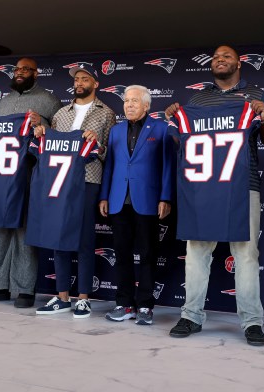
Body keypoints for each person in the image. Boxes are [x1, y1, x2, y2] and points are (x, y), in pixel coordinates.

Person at [165, 45, 264, 346]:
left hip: (243, 185)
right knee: (197, 252)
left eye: (226, 56)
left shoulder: (255, 95)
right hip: (203, 187)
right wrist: (175, 121)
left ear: (239, 63)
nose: (219, 60)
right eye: (215, 57)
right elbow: (185, 143)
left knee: (245, 255)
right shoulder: (198, 99)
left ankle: (252, 321)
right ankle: (191, 315)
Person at [0, 57, 62, 308]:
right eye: (17, 69)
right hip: (0, 176)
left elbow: (57, 136)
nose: (20, 72)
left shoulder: (49, 100)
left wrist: (40, 124)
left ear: (36, 73)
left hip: (29, 174)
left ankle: (24, 289)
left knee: (23, 232)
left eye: (26, 69)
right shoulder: (4, 102)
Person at [32, 64, 115, 318]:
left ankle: (83, 298)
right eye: (76, 78)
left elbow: (109, 153)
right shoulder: (60, 113)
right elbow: (51, 146)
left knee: (84, 238)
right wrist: (41, 133)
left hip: (88, 179)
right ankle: (61, 297)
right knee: (59, 236)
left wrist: (95, 143)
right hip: (59, 180)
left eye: (84, 78)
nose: (79, 82)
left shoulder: (106, 113)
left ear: (96, 83)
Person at [100, 85, 174, 325]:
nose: (129, 105)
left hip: (148, 201)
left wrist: (165, 198)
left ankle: (145, 306)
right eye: (126, 101)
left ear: (146, 105)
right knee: (121, 254)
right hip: (119, 200)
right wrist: (104, 196)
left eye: (134, 101)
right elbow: (109, 165)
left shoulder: (162, 129)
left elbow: (167, 167)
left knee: (147, 255)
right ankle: (124, 303)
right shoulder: (116, 131)